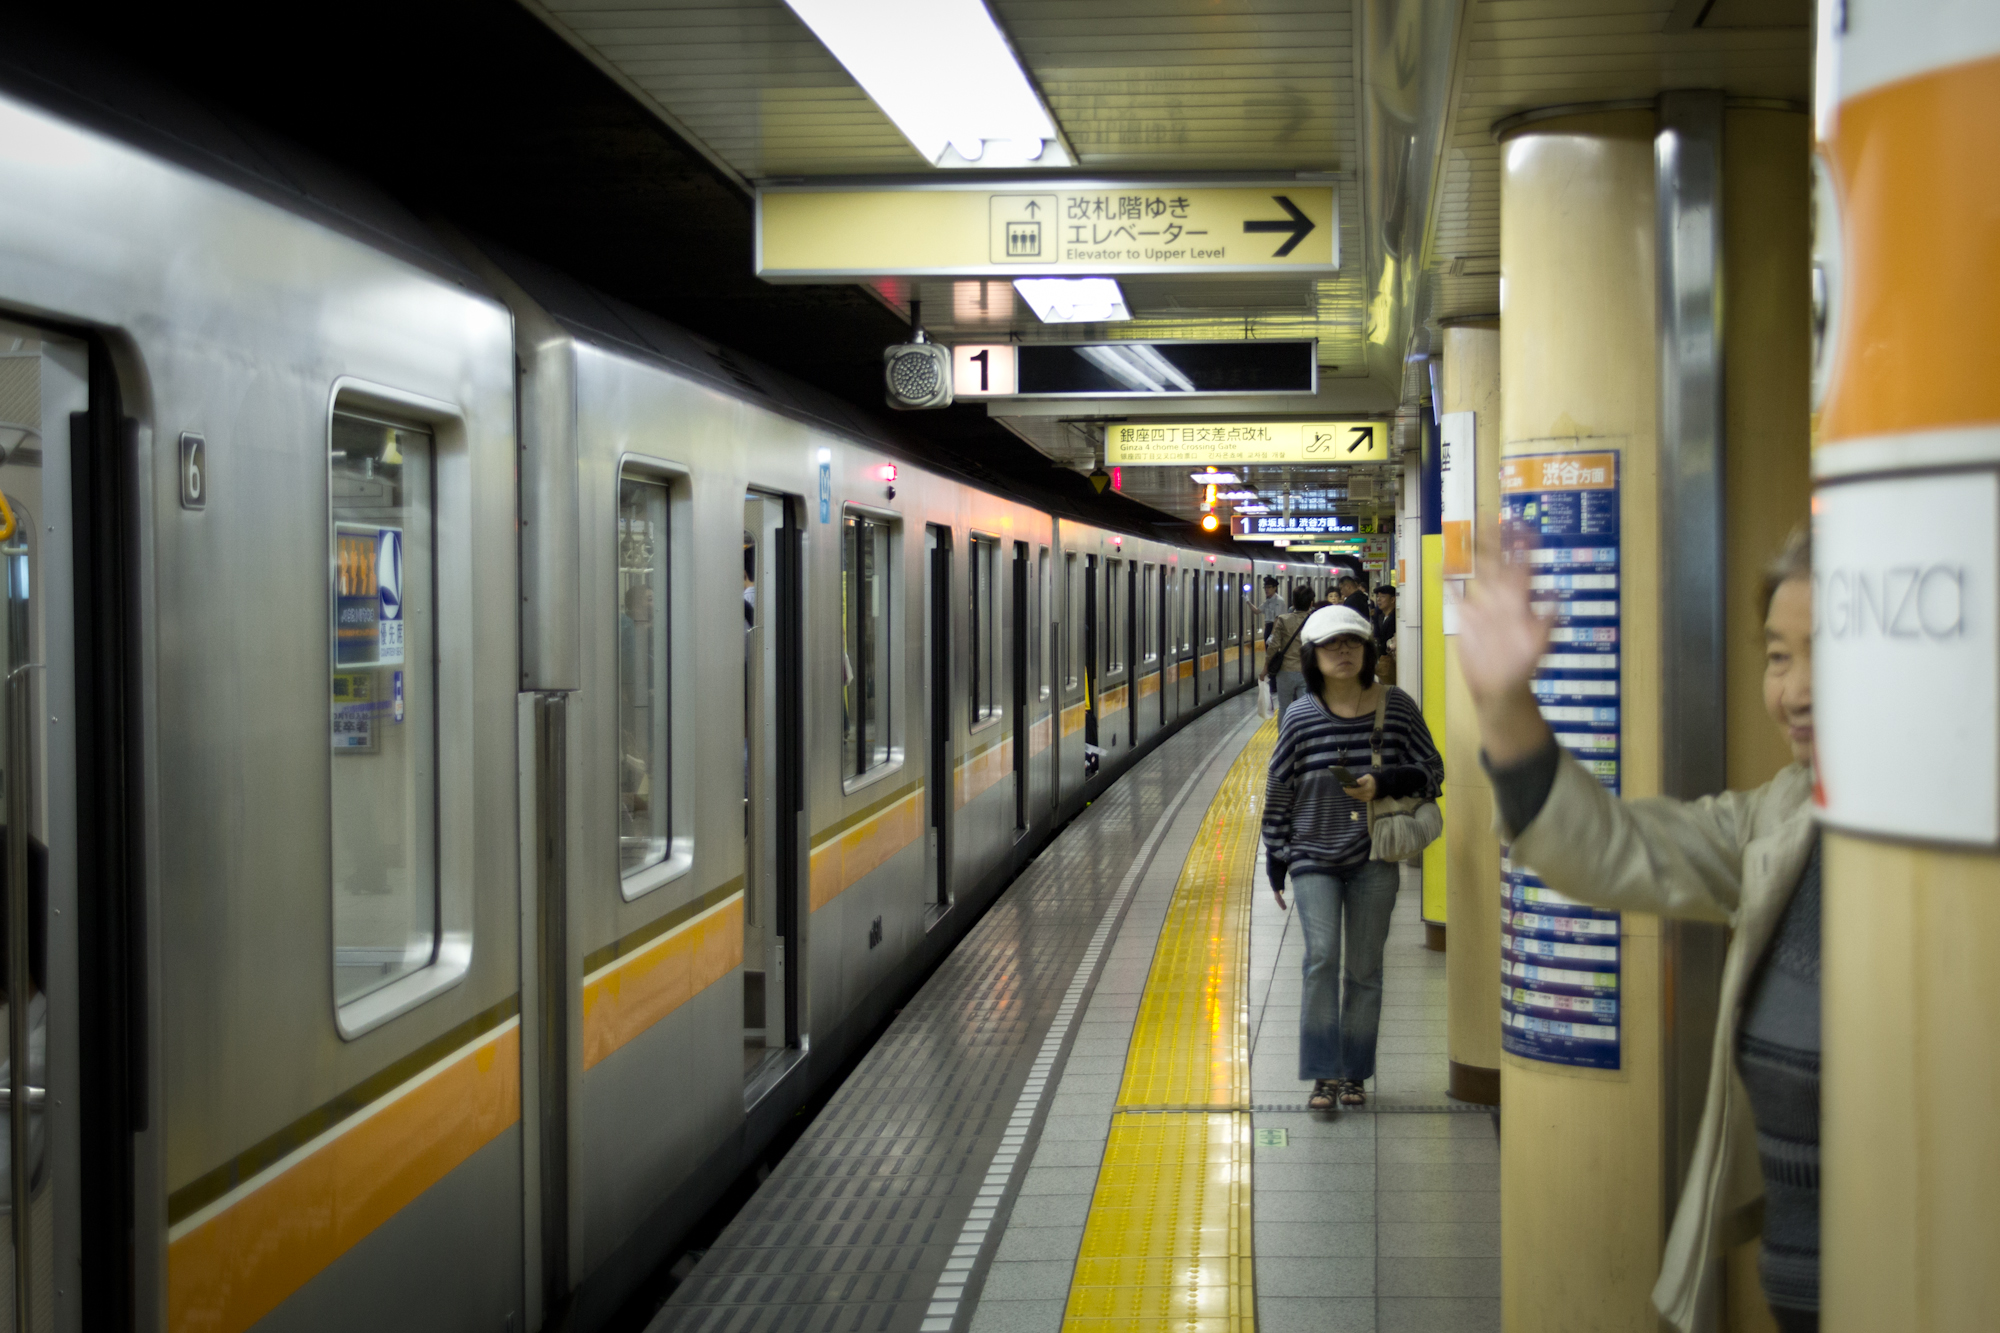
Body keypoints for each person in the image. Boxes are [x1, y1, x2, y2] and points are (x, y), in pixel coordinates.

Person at [1458, 527, 1817, 1333]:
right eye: (1778, 655)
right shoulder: (1784, 819)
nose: (1796, 691)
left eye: (1828, 650)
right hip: (1804, 1290)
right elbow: (1610, 850)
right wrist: (1507, 704)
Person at [1264, 605, 1443, 1111]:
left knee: (1364, 970)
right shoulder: (1298, 715)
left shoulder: (1397, 707)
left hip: (1374, 855)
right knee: (1321, 960)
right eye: (1330, 645)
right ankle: (1324, 1075)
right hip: (1312, 856)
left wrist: (1383, 782)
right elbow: (1280, 788)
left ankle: (1354, 1073)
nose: (1342, 652)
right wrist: (1276, 856)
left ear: (1367, 651)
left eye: (1352, 643)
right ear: (1313, 657)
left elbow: (1432, 770)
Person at [1262, 586, 1315, 711]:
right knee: (1304, 709)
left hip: (1286, 671)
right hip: (1306, 670)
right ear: (1311, 603)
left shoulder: (1283, 620)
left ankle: (1285, 731)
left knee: (1284, 708)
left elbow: (1273, 646)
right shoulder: (1315, 620)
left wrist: (1265, 668)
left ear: (1293, 602)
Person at [1371, 583, 1398, 685]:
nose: (1379, 600)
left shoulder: (1395, 618)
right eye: (1377, 597)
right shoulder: (1381, 617)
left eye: (1383, 597)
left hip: (1390, 662)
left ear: (1393, 599)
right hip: (1382, 660)